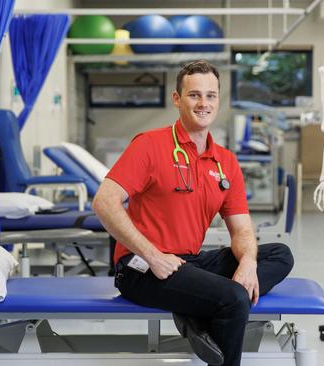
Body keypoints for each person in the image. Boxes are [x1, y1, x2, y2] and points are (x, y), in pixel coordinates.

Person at [92, 60, 294, 366]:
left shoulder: (224, 161)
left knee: (279, 255)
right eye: (194, 95)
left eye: (211, 96)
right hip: (140, 267)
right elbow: (104, 202)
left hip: (189, 262)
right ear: (177, 99)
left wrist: (249, 264)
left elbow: (241, 230)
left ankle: (196, 314)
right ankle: (207, 314)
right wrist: (153, 256)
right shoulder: (149, 145)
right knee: (234, 298)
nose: (204, 103)